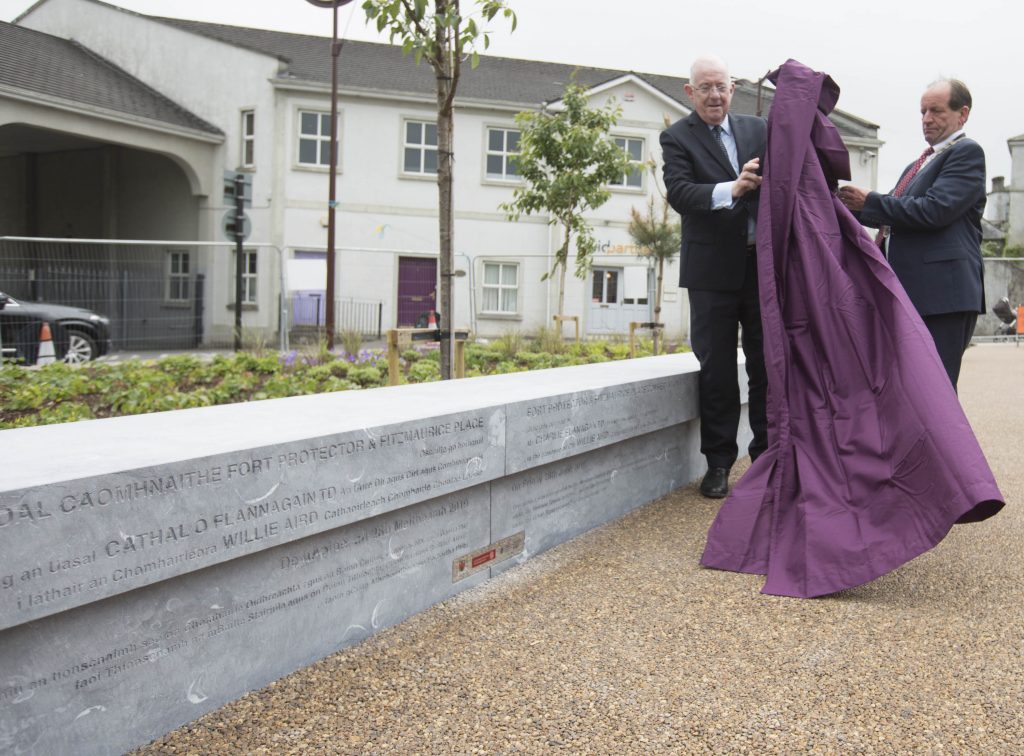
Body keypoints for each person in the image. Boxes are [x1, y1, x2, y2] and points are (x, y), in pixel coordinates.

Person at [660, 55, 768, 499]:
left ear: (733, 89)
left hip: (761, 270)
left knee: (767, 369)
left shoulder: (758, 130)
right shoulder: (676, 137)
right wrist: (733, 189)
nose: (714, 95)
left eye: (721, 87)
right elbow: (681, 194)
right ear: (690, 92)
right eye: (705, 87)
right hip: (710, 277)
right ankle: (719, 463)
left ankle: (767, 459)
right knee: (717, 371)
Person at [838, 79, 986, 390]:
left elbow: (934, 210)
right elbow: (888, 211)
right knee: (915, 394)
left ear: (963, 114)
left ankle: (946, 442)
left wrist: (872, 201)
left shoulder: (966, 153)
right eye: (922, 112)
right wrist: (837, 203)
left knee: (936, 392)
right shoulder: (917, 164)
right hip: (914, 294)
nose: (927, 119)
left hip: (943, 297)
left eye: (936, 111)